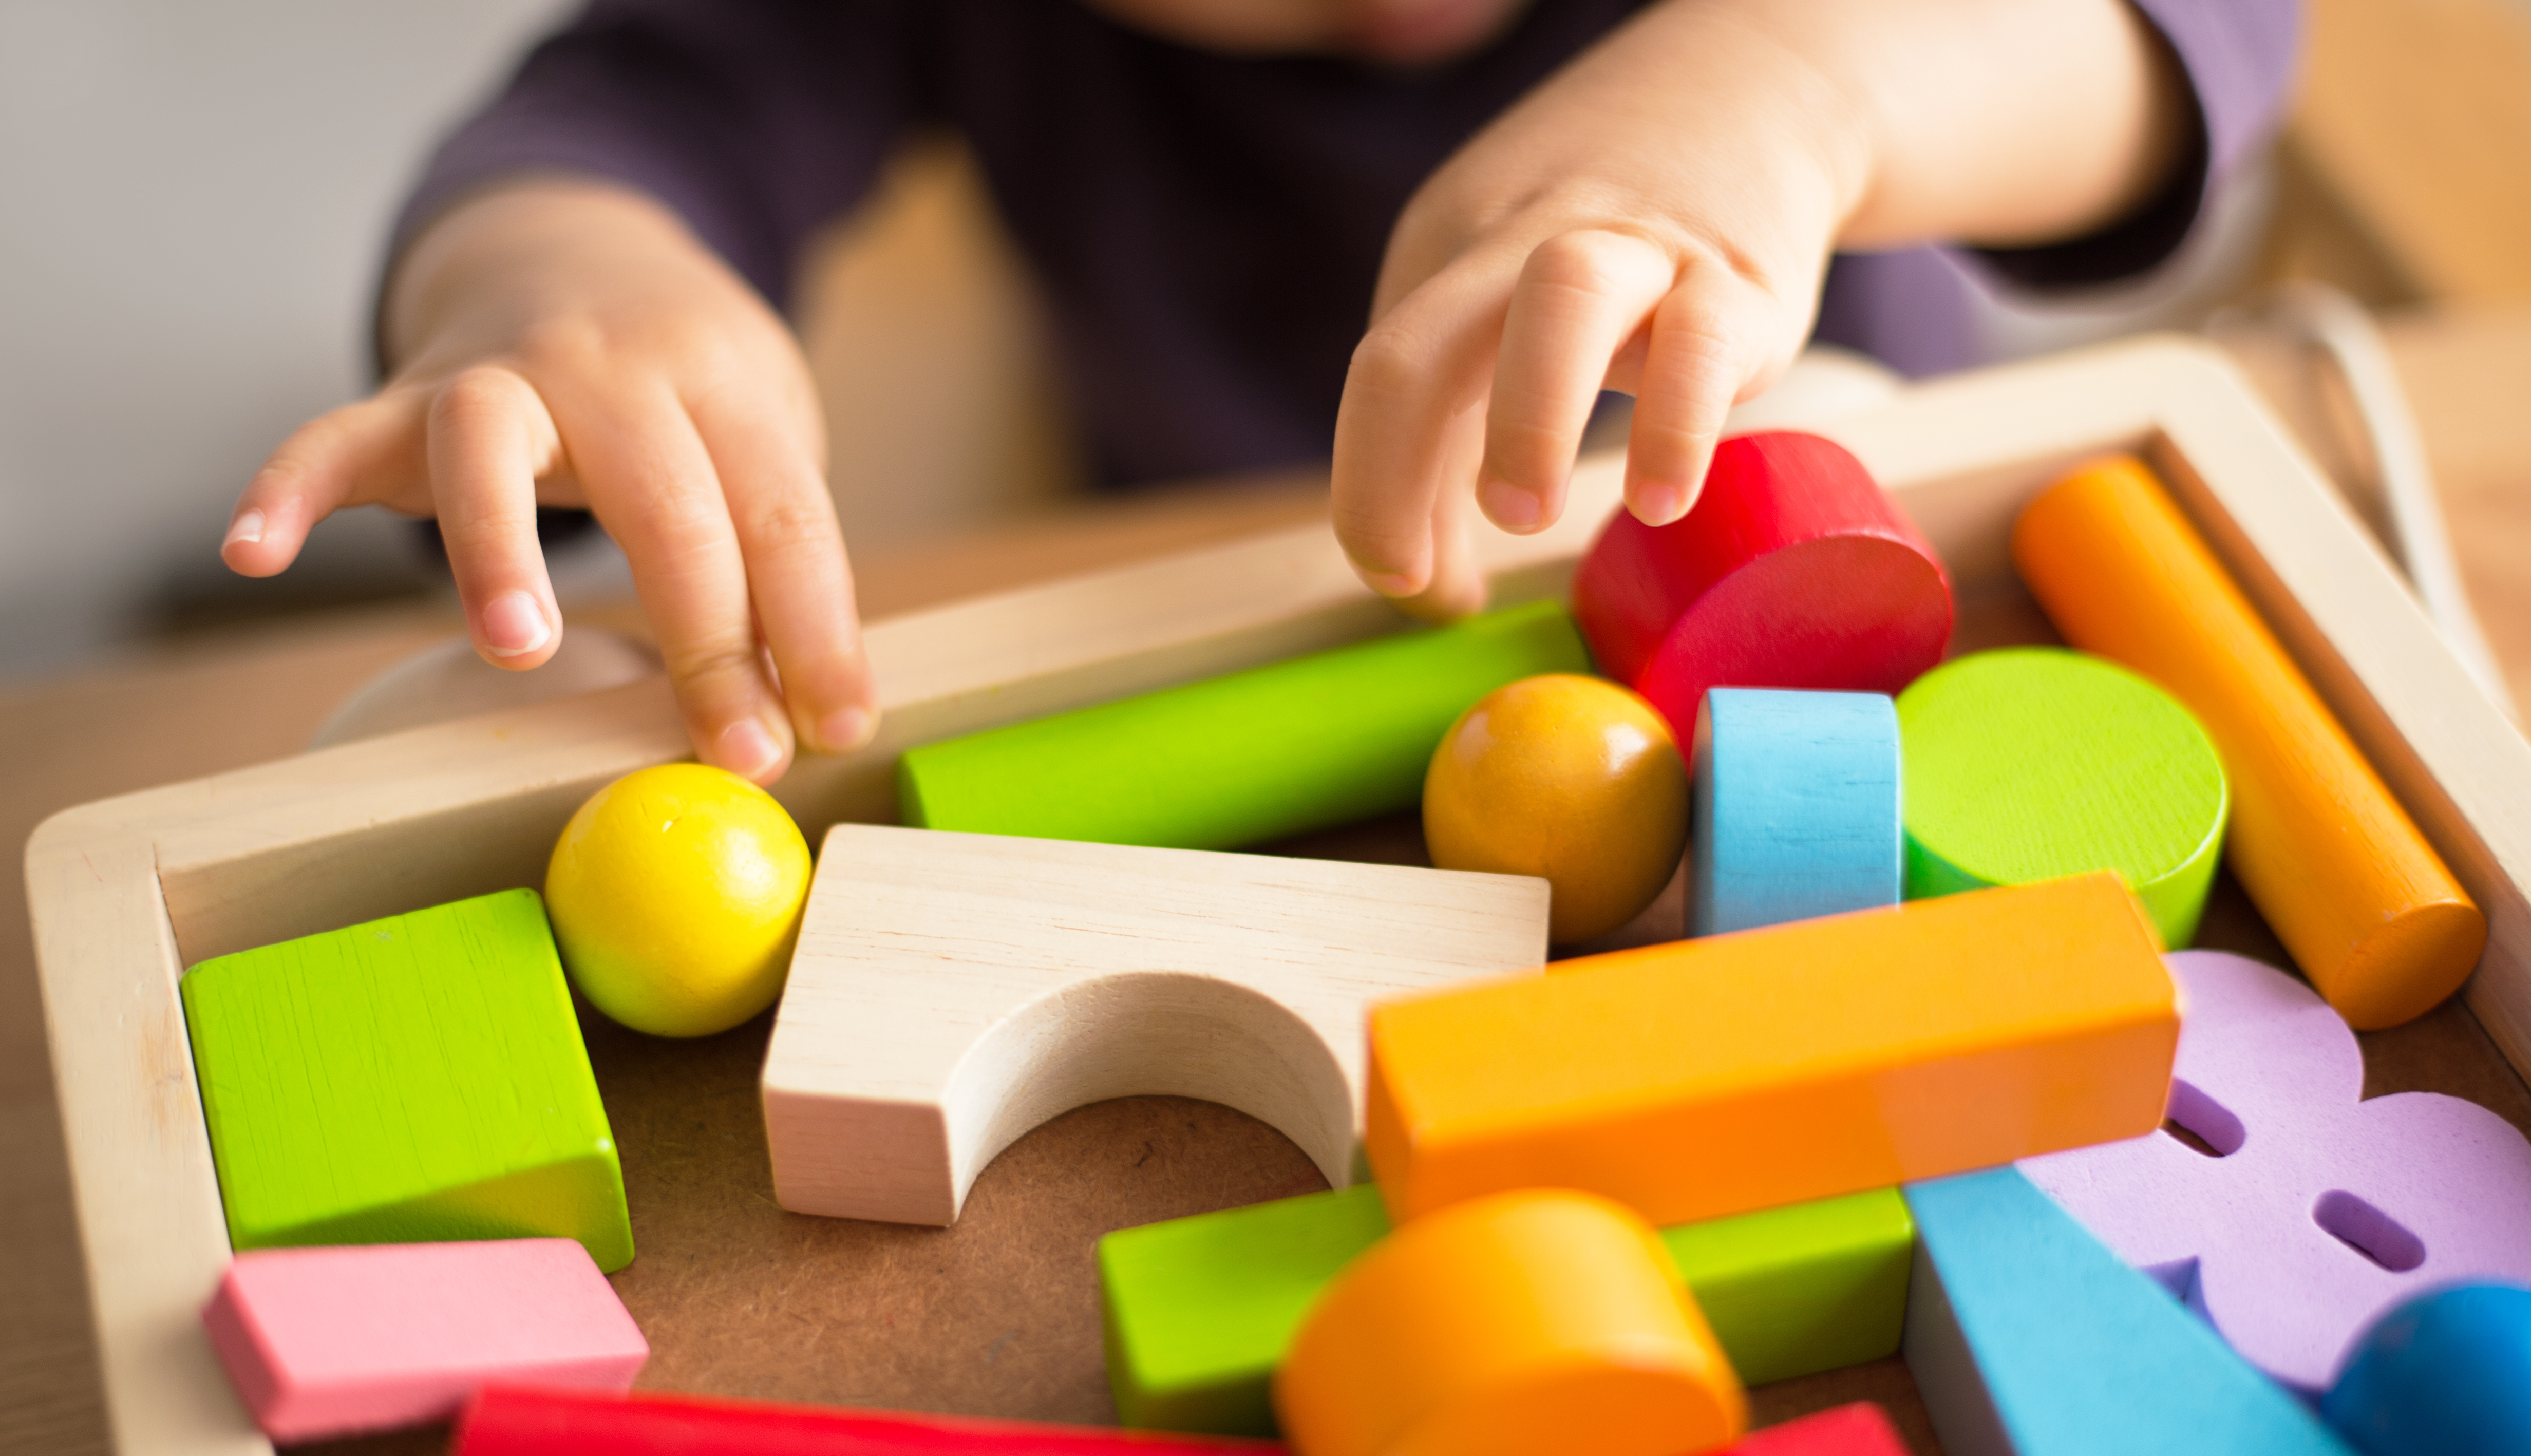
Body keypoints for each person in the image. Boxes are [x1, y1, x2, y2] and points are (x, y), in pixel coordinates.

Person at [220, 0, 2296, 784]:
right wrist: (559, 286)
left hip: (1849, 580)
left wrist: (1810, 82)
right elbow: (628, 108)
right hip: (1229, 557)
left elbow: (2187, 39)